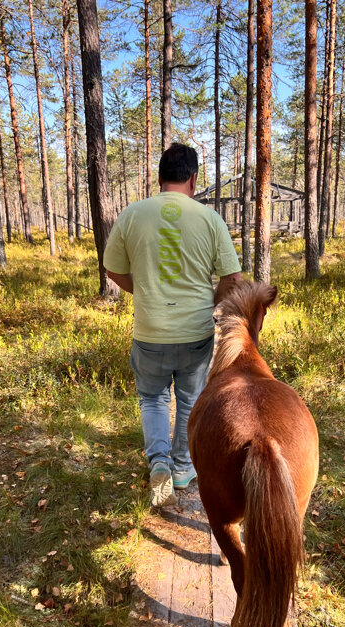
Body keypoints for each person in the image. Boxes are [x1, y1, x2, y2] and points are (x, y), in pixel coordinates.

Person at [103, 142, 241, 507]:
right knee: (189, 400)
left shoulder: (133, 214)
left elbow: (113, 269)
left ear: (160, 177)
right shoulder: (210, 219)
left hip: (149, 331)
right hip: (196, 332)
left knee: (152, 398)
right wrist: (210, 302)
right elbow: (233, 277)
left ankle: (158, 464)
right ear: (193, 179)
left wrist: (142, 291)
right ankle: (181, 469)